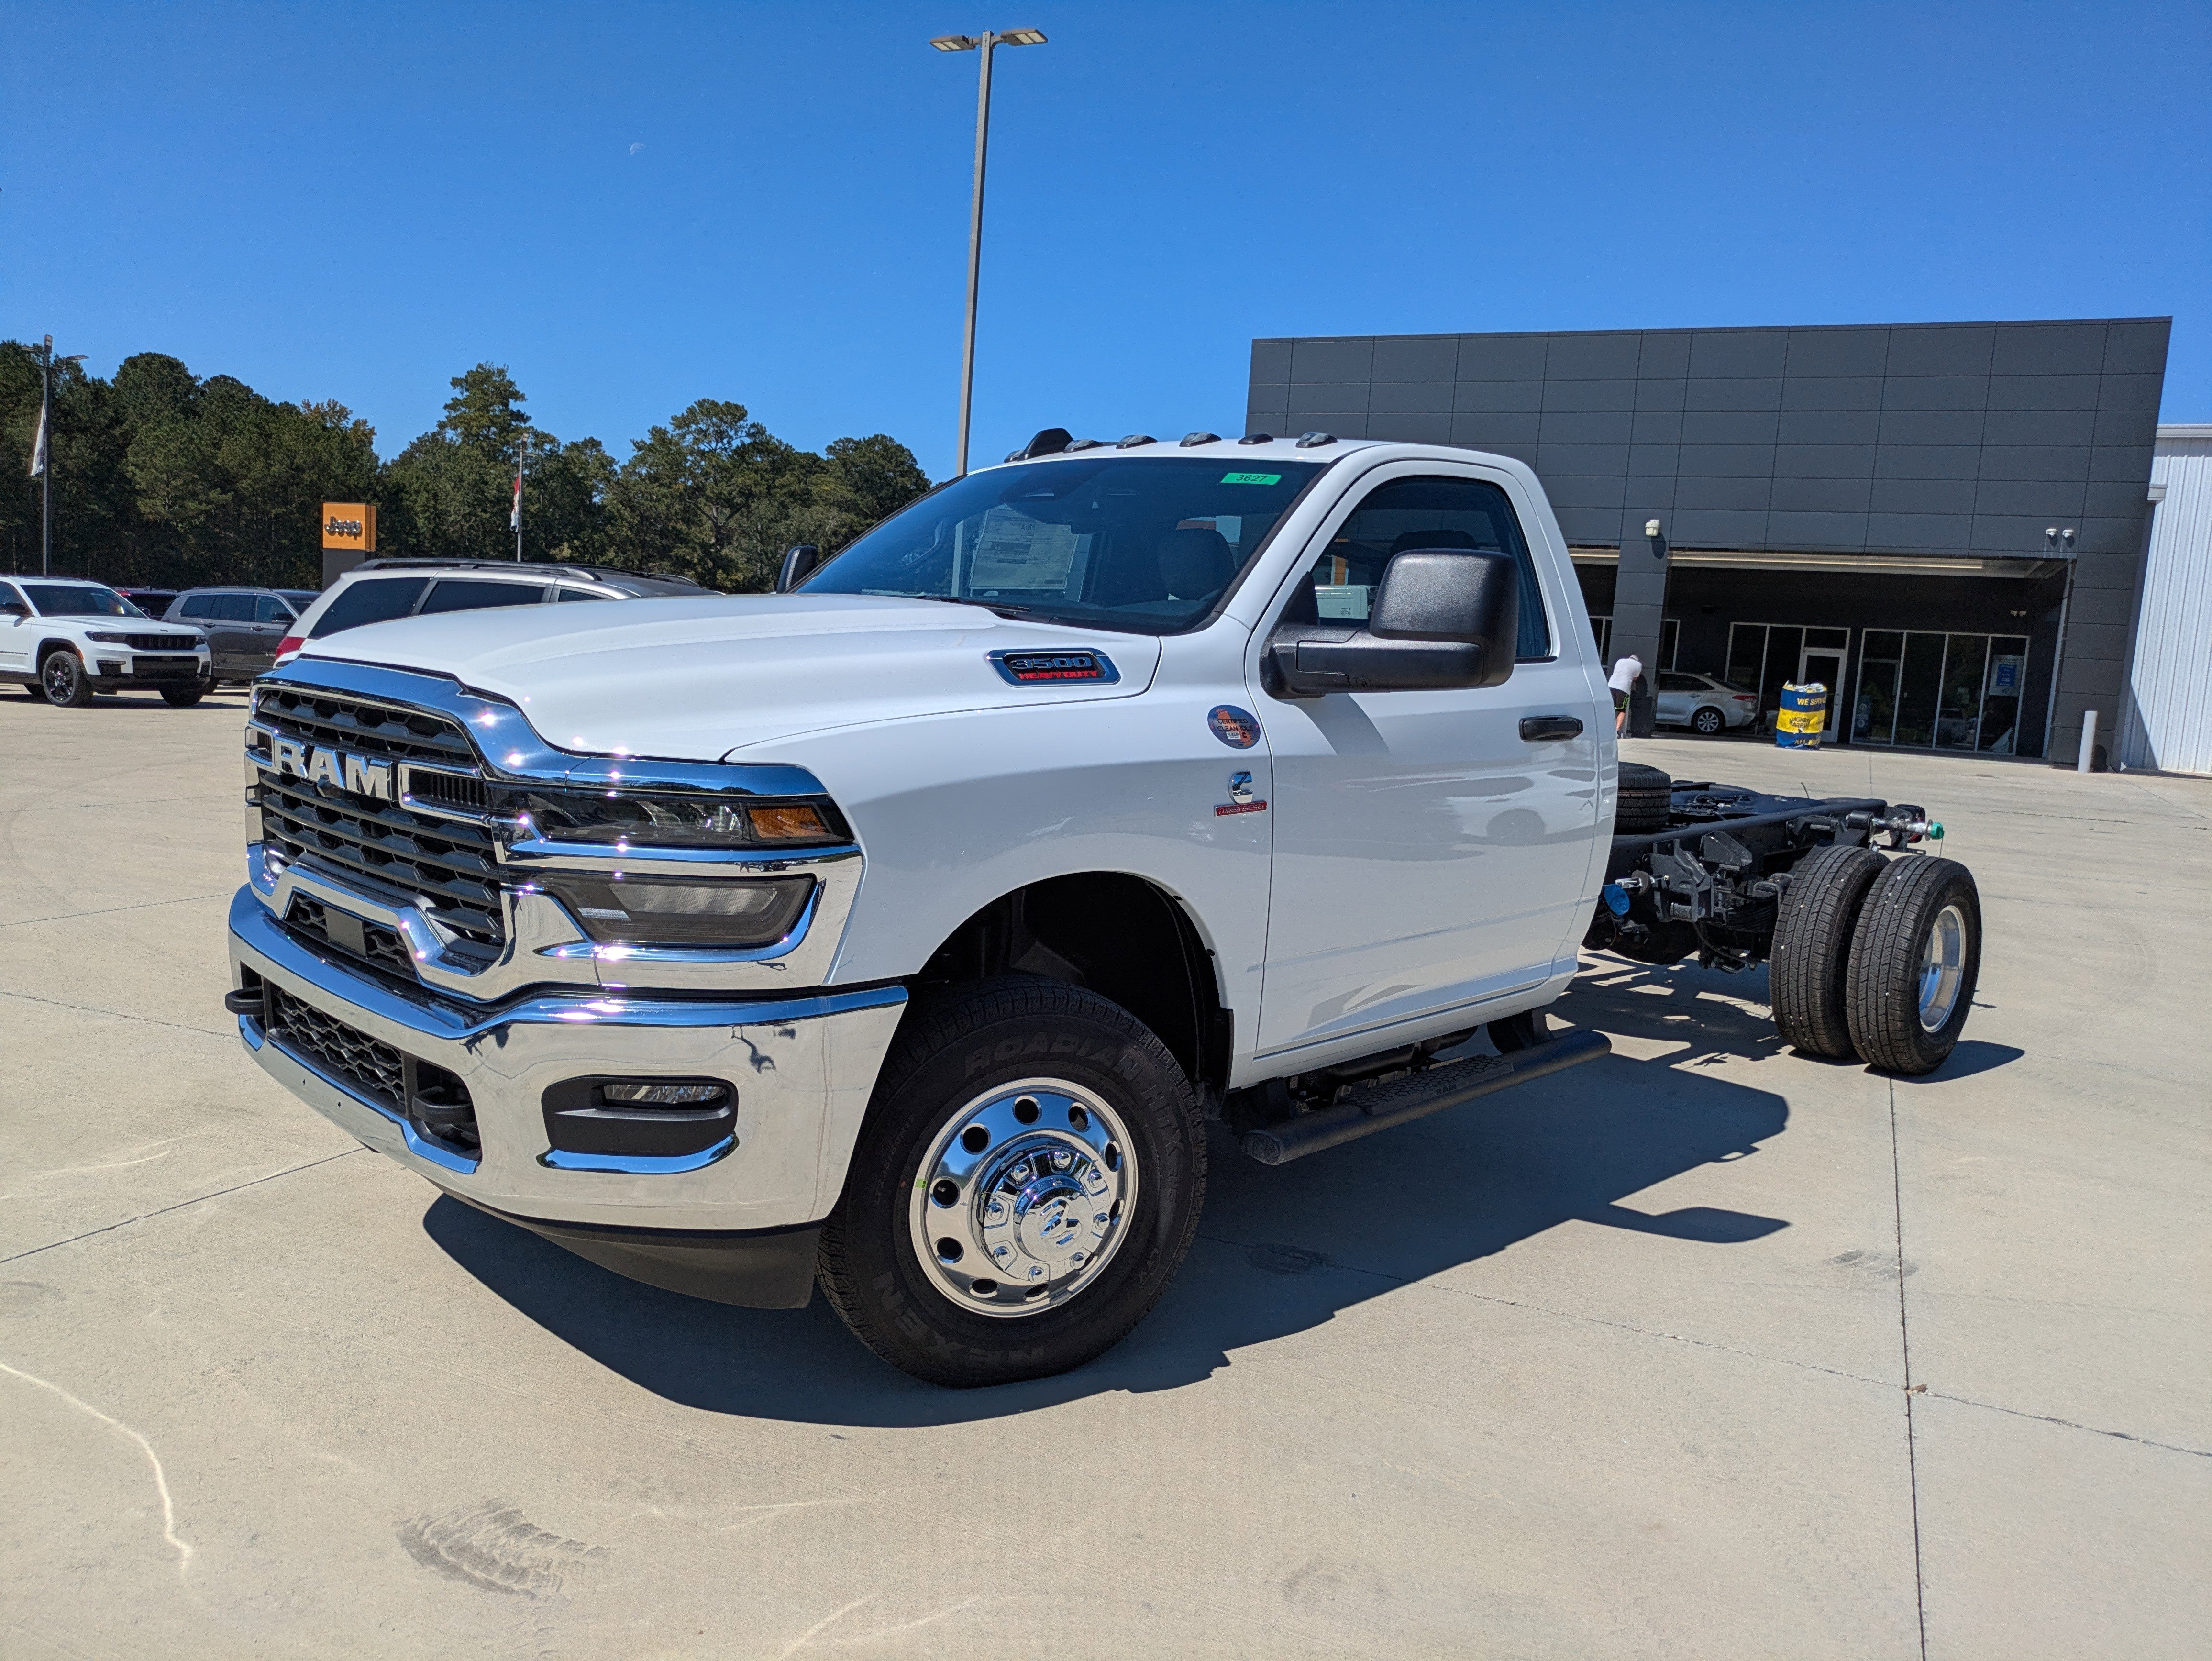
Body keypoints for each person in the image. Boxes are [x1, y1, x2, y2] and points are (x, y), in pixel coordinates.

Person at [1608, 653, 1643, 737]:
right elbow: (1635, 678)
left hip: (1611, 685)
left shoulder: (1620, 661)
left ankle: (1606, 729)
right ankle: (1616, 732)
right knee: (1621, 710)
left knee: (1609, 708)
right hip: (1623, 688)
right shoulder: (1638, 665)